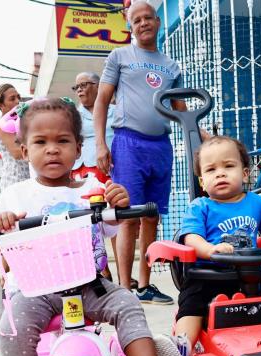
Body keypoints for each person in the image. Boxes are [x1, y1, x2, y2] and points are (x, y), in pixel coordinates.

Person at [0, 98, 197, 356]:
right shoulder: (15, 194)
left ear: (78, 148)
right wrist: (0, 227)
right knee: (12, 328)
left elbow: (112, 227)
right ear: (23, 151)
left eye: (62, 141)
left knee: (127, 302)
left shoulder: (91, 190)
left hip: (88, 284)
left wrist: (119, 203)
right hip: (36, 289)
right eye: (40, 142)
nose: (52, 150)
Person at [152, 136, 261, 356]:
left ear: (244, 174)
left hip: (251, 275)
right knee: (192, 305)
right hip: (209, 276)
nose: (220, 174)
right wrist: (209, 249)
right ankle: (181, 354)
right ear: (202, 181)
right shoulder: (200, 207)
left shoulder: (256, 202)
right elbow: (190, 238)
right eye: (211, 170)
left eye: (228, 166)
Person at [94, 0, 186, 305]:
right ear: (130, 26)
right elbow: (102, 101)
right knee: (128, 217)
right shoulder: (120, 56)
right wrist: (101, 143)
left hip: (161, 145)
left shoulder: (172, 66)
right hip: (127, 143)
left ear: (158, 23)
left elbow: (181, 109)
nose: (144, 23)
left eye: (149, 18)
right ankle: (124, 287)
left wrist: (203, 138)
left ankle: (145, 285)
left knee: (151, 217)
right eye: (137, 20)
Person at [72, 71, 118, 282]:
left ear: (99, 86)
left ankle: (123, 274)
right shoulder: (73, 115)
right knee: (92, 223)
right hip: (85, 171)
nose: (80, 89)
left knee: (116, 219)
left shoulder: (116, 110)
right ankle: (102, 269)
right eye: (77, 87)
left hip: (113, 169)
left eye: (84, 84)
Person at [0, 83, 32, 190]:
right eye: (12, 99)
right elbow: (17, 153)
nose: (17, 101)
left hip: (27, 179)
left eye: (18, 97)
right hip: (15, 180)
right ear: (0, 105)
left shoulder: (18, 122)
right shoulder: (3, 125)